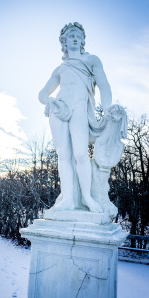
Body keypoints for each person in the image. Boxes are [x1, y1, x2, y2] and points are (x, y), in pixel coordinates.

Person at [38, 22, 112, 212]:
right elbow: (42, 94)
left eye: (78, 35)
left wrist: (108, 109)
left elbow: (104, 85)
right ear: (64, 41)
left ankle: (87, 197)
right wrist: (50, 102)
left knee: (80, 154)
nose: (75, 37)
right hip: (59, 110)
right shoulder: (60, 69)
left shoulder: (91, 60)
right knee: (64, 156)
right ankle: (68, 200)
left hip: (80, 109)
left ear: (83, 41)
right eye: (71, 35)